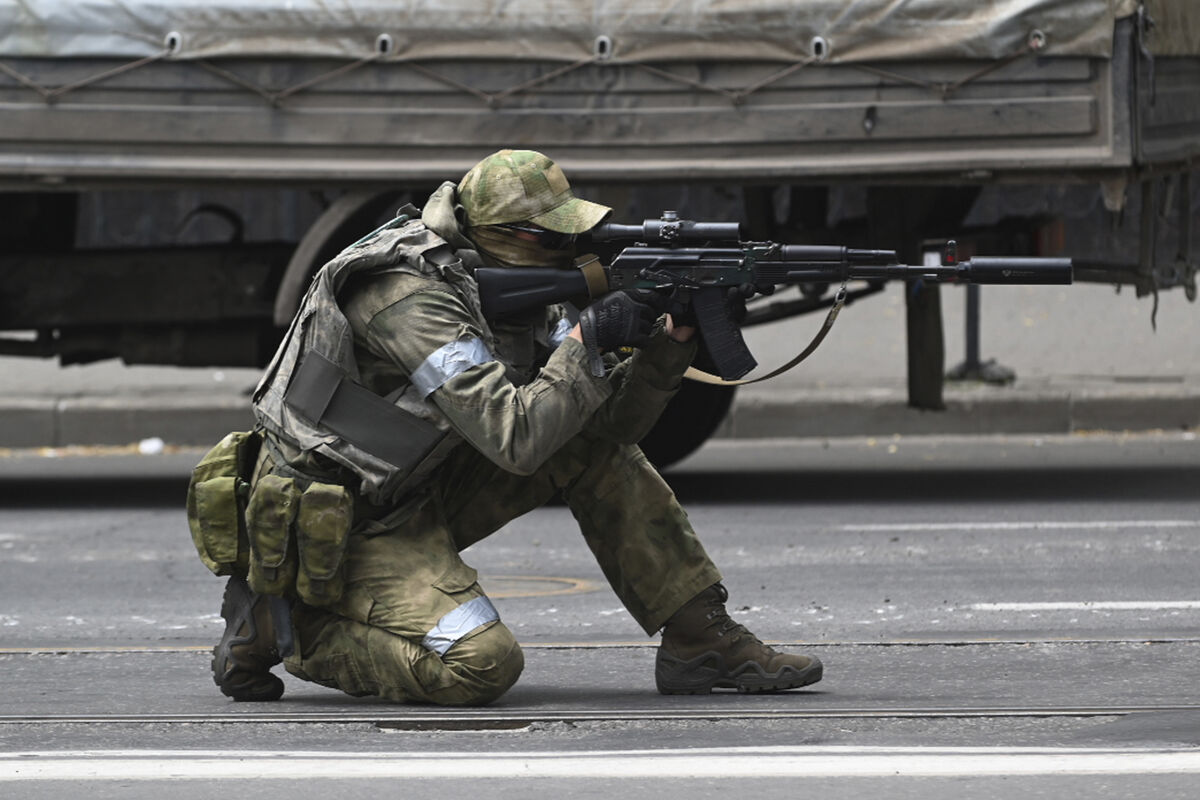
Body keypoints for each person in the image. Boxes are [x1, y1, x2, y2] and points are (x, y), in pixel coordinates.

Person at [198, 149, 823, 705]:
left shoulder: (511, 282)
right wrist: (589, 335)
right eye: (555, 240)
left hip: (421, 484)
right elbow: (516, 440)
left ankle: (700, 640)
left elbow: (610, 430)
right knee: (480, 666)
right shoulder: (406, 296)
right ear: (510, 236)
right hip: (346, 522)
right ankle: (285, 627)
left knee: (591, 448)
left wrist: (670, 342)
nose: (571, 255)